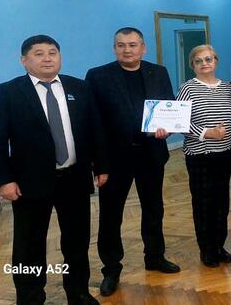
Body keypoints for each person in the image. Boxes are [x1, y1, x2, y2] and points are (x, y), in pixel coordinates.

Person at [0, 35, 108, 305]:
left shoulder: (80, 87)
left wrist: (102, 166)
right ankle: (29, 297)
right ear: (24, 60)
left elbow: (95, 129)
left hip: (74, 178)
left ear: (60, 57)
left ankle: (78, 292)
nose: (47, 58)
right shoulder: (8, 92)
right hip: (29, 183)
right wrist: (3, 180)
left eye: (52, 52)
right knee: (29, 245)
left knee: (77, 242)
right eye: (38, 53)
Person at [85, 27, 180, 297]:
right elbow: (93, 122)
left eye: (133, 44)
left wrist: (168, 128)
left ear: (143, 48)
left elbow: (169, 106)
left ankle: (155, 256)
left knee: (154, 208)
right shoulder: (98, 76)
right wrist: (98, 164)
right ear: (114, 48)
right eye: (121, 45)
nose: (127, 49)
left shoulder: (158, 72)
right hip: (114, 159)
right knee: (111, 215)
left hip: (151, 153)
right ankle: (111, 268)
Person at [176, 45, 231, 268]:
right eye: (198, 61)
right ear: (192, 65)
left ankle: (219, 245)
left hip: (225, 154)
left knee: (222, 202)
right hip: (199, 155)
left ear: (216, 61)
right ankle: (207, 249)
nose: (204, 64)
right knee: (203, 203)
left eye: (208, 59)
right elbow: (180, 121)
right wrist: (207, 133)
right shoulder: (187, 88)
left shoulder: (228, 88)